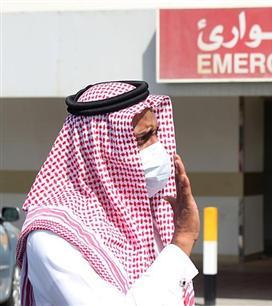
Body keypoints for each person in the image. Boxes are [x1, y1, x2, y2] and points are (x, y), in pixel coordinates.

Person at [16, 81, 199, 306]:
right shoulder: (53, 237)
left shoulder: (143, 218)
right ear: (99, 152)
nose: (158, 147)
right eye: (142, 138)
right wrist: (181, 242)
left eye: (156, 133)